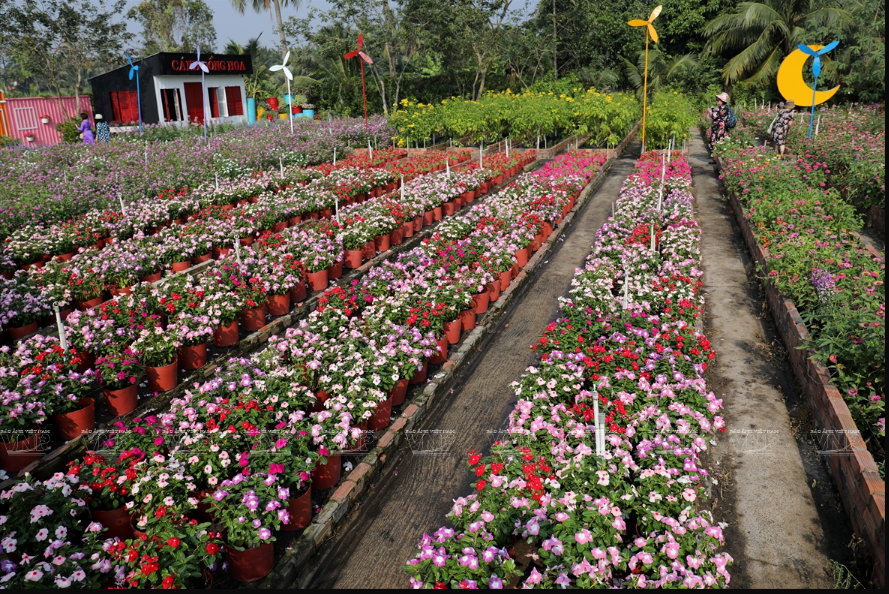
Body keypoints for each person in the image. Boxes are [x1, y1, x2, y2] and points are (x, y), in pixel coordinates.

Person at [706, 92, 731, 161]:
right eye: (717, 100)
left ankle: (717, 160)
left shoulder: (724, 108)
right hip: (716, 128)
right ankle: (715, 159)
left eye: (718, 100)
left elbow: (714, 115)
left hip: (720, 129)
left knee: (718, 142)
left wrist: (710, 112)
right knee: (715, 142)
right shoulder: (719, 108)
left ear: (722, 101)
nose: (717, 101)